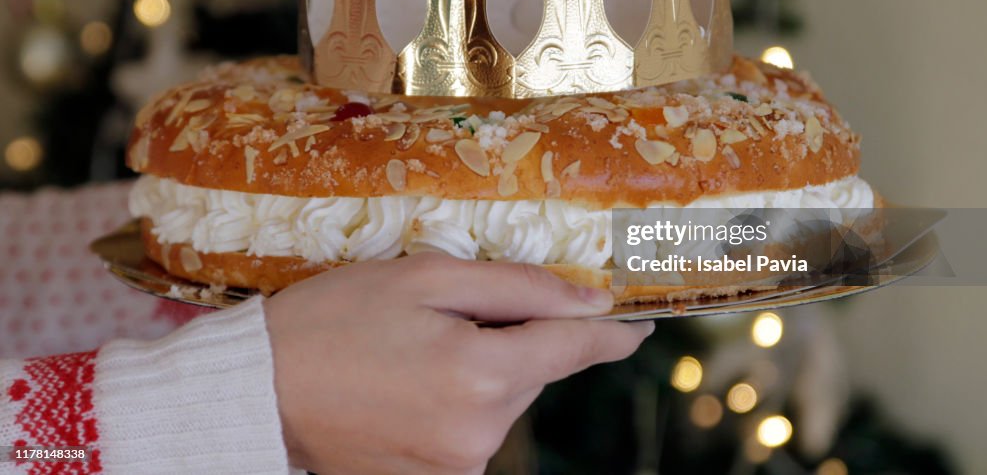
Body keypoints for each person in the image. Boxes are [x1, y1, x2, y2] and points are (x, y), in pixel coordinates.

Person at [1, 186, 652, 475]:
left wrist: (243, 217)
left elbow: (749, 244)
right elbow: (39, 452)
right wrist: (256, 399)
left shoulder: (730, 237)